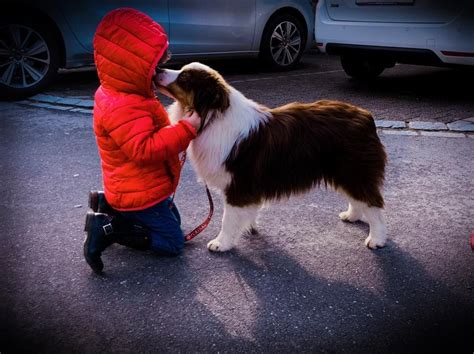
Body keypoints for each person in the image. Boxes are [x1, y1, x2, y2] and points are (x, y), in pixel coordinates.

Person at [83, 8, 200, 274]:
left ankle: (108, 205)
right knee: (173, 242)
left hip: (140, 186)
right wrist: (187, 129)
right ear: (131, 65)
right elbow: (145, 149)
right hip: (140, 193)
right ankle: (110, 229)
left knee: (175, 220)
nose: (157, 72)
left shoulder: (122, 91)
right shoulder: (124, 105)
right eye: (153, 66)